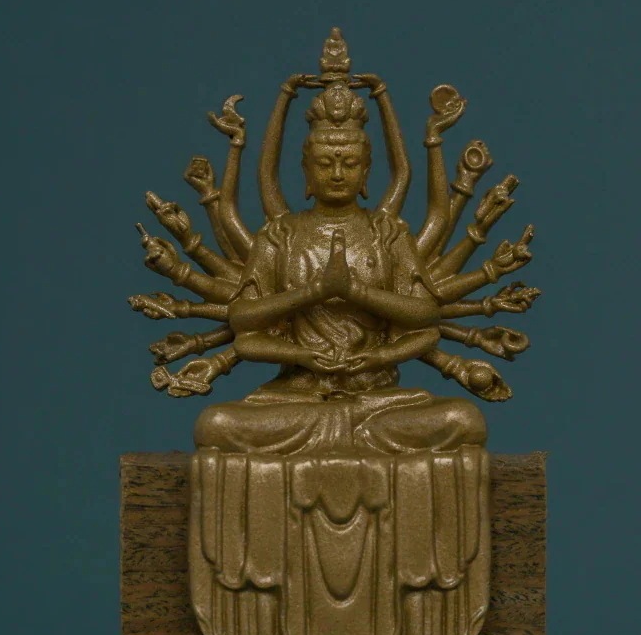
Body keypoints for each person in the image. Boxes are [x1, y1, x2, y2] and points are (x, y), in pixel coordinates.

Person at [194, 81, 486, 455]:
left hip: (377, 398)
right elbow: (243, 318)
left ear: (366, 173)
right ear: (306, 171)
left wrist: (356, 296)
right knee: (216, 425)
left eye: (349, 164)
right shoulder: (281, 234)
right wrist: (312, 302)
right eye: (324, 163)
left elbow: (425, 314)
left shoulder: (387, 233)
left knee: (463, 419)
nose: (336, 174)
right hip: (296, 398)